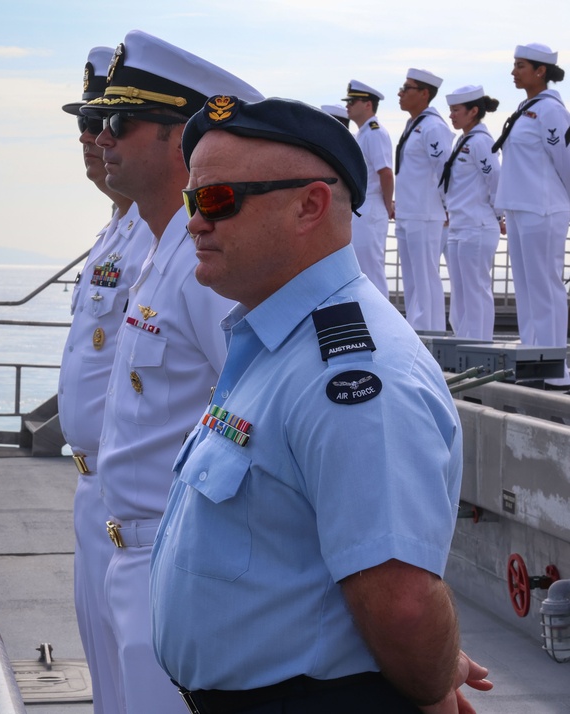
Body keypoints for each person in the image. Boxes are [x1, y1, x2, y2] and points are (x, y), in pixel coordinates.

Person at [150, 95, 493, 713]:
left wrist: (428, 671)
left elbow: (404, 602)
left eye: (219, 200)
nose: (195, 222)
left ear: (310, 205)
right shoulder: (278, 343)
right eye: (192, 201)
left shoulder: (353, 373)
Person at [80, 29, 263, 714]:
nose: (102, 139)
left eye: (120, 122)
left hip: (177, 561)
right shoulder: (163, 249)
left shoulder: (203, 263)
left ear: (179, 138)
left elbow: (254, 424)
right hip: (131, 545)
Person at [58, 45, 153, 714]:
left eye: (113, 123)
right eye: (88, 125)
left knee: (139, 679)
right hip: (98, 491)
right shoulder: (115, 232)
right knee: (108, 682)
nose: (96, 140)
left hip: (144, 502)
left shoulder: (160, 239)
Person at [494, 43, 570, 389]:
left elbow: (566, 162)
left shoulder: (551, 111)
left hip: (544, 209)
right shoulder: (526, 109)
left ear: (541, 71)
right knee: (526, 291)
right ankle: (533, 361)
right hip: (521, 208)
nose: (514, 71)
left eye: (520, 66)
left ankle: (555, 368)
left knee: (545, 288)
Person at [441, 85, 503, 340]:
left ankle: (479, 346)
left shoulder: (481, 142)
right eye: (451, 110)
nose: (452, 116)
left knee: (476, 290)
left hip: (476, 226)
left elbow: (496, 179)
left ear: (473, 111)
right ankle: (463, 341)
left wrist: (499, 215)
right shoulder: (462, 140)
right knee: (461, 291)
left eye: (456, 110)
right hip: (459, 226)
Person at [395, 68, 453, 331]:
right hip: (409, 212)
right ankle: (416, 333)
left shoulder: (433, 126)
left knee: (425, 278)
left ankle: (431, 335)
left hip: (426, 213)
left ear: (424, 93)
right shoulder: (414, 125)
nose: (401, 93)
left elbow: (445, 172)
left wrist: (447, 207)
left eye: (407, 88)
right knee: (412, 281)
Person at [344, 80, 393, 296]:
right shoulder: (363, 133)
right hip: (363, 206)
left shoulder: (374, 132)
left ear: (368, 105)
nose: (348, 105)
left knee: (372, 270)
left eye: (353, 101)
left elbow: (386, 173)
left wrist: (386, 204)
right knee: (361, 269)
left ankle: (381, 326)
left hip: (372, 205)